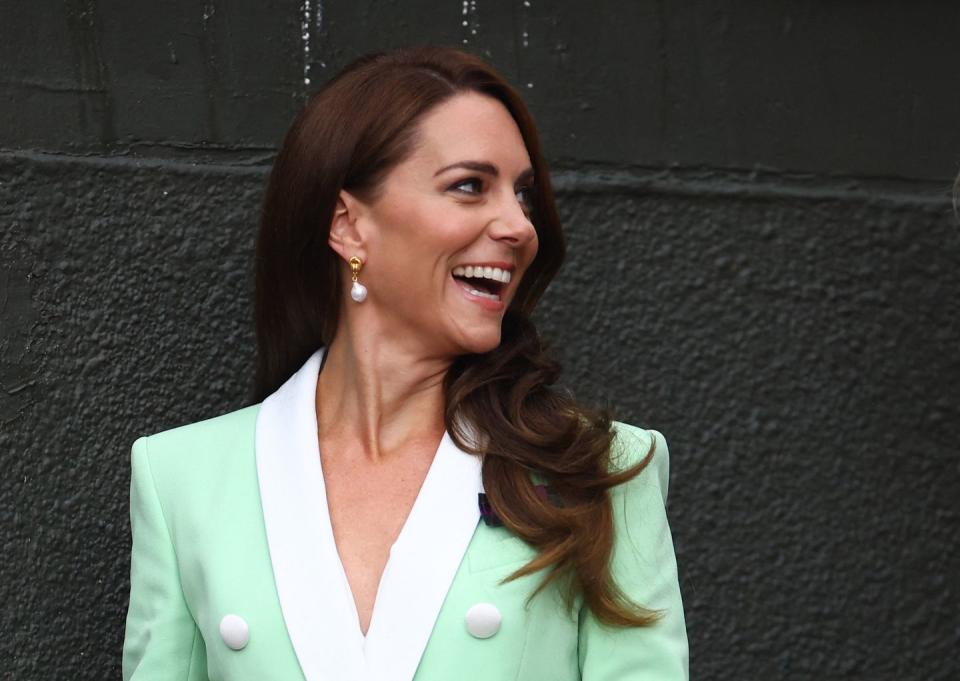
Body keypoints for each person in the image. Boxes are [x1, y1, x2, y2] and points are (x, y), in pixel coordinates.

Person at [121, 45, 689, 681]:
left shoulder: (597, 471)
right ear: (348, 226)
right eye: (470, 186)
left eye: (521, 194)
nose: (519, 226)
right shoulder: (183, 479)